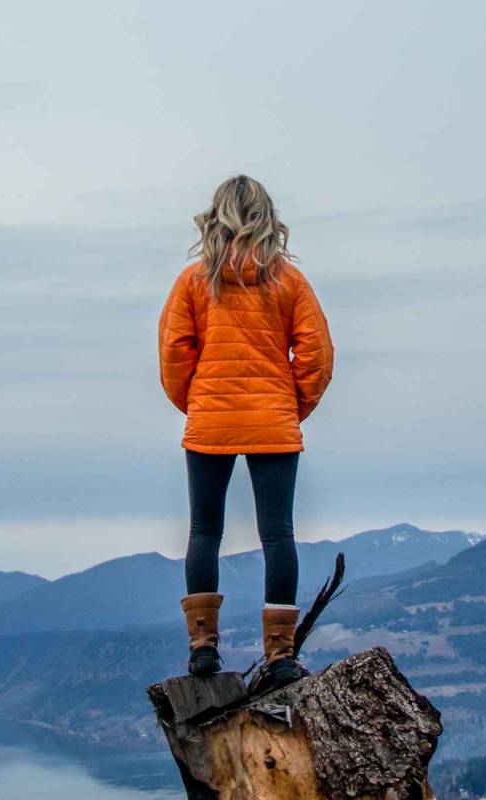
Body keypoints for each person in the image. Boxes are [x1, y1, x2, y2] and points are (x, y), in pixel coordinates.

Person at [157, 174, 334, 689]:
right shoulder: (289, 283)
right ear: (267, 218)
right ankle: (280, 656)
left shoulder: (194, 281)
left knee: (204, 532)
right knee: (277, 534)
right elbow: (317, 356)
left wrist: (194, 402)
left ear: (216, 217)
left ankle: (202, 649)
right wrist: (290, 406)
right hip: (273, 421)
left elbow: (174, 354)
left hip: (210, 420)